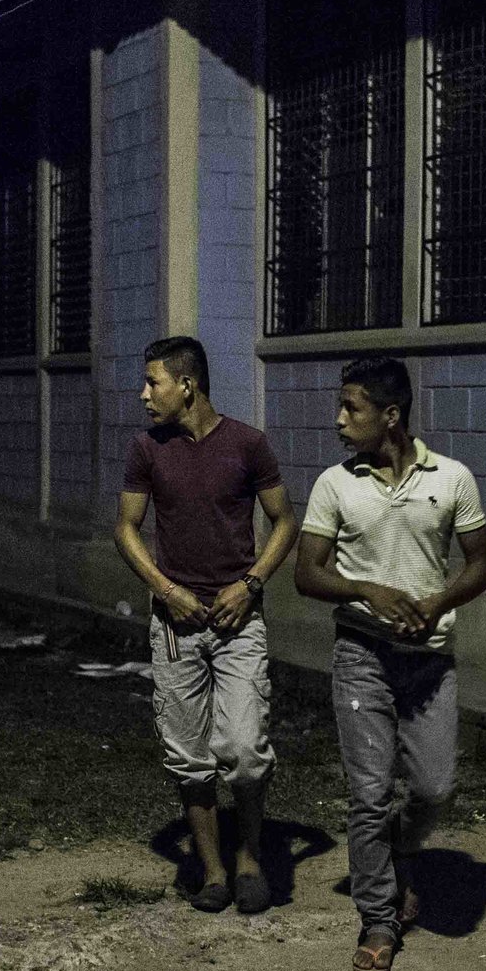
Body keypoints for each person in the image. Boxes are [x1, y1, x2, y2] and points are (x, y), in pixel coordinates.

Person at [294, 355, 486, 971]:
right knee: (369, 794)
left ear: (391, 415)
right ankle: (378, 918)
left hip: (429, 662)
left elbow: (481, 565)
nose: (338, 420)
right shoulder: (336, 483)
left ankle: (402, 851)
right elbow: (306, 574)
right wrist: (367, 591)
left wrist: (437, 601)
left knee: (435, 787)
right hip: (361, 658)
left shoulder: (452, 478)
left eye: (351, 408)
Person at [115, 335, 297, 914]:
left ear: (187, 384)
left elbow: (284, 521)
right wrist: (164, 590)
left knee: (244, 748)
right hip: (175, 624)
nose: (145, 394)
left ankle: (249, 859)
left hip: (237, 620)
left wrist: (251, 585)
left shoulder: (248, 444)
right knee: (187, 754)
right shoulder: (147, 448)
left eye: (154, 382)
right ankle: (214, 870)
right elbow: (126, 528)